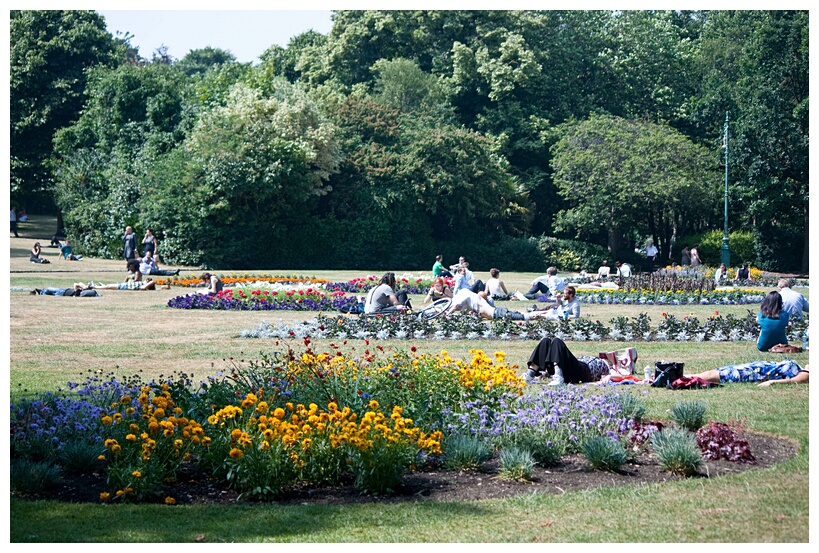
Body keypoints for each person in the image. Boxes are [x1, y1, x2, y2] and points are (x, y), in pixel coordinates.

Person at [523, 337, 613, 386]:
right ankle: (530, 373)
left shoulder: (607, 367)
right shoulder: (596, 360)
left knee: (557, 341)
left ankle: (558, 377)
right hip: (571, 367)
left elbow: (616, 376)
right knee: (546, 341)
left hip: (582, 371)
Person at [448, 289, 548, 321]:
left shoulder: (472, 299)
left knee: (525, 316)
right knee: (522, 314)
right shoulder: (477, 303)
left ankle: (547, 315)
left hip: (498, 313)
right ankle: (546, 312)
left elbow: (456, 306)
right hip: (498, 312)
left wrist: (448, 313)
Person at [689, 361, 809, 387]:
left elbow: (795, 381)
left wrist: (771, 382)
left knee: (713, 375)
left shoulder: (807, 374)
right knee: (712, 373)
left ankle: (677, 378)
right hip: (756, 367)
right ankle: (678, 376)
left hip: (755, 373)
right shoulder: (803, 369)